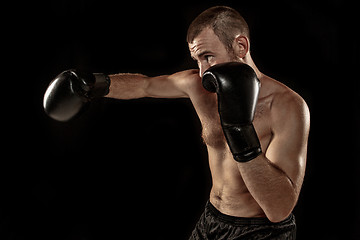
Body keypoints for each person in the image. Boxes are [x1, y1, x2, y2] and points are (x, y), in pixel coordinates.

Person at [43, 6, 310, 239]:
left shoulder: (287, 106)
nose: (204, 71)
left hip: (261, 232)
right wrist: (93, 85)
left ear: (241, 46)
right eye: (197, 59)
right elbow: (145, 85)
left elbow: (279, 209)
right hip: (213, 219)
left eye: (208, 56)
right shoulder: (198, 85)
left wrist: (238, 129)